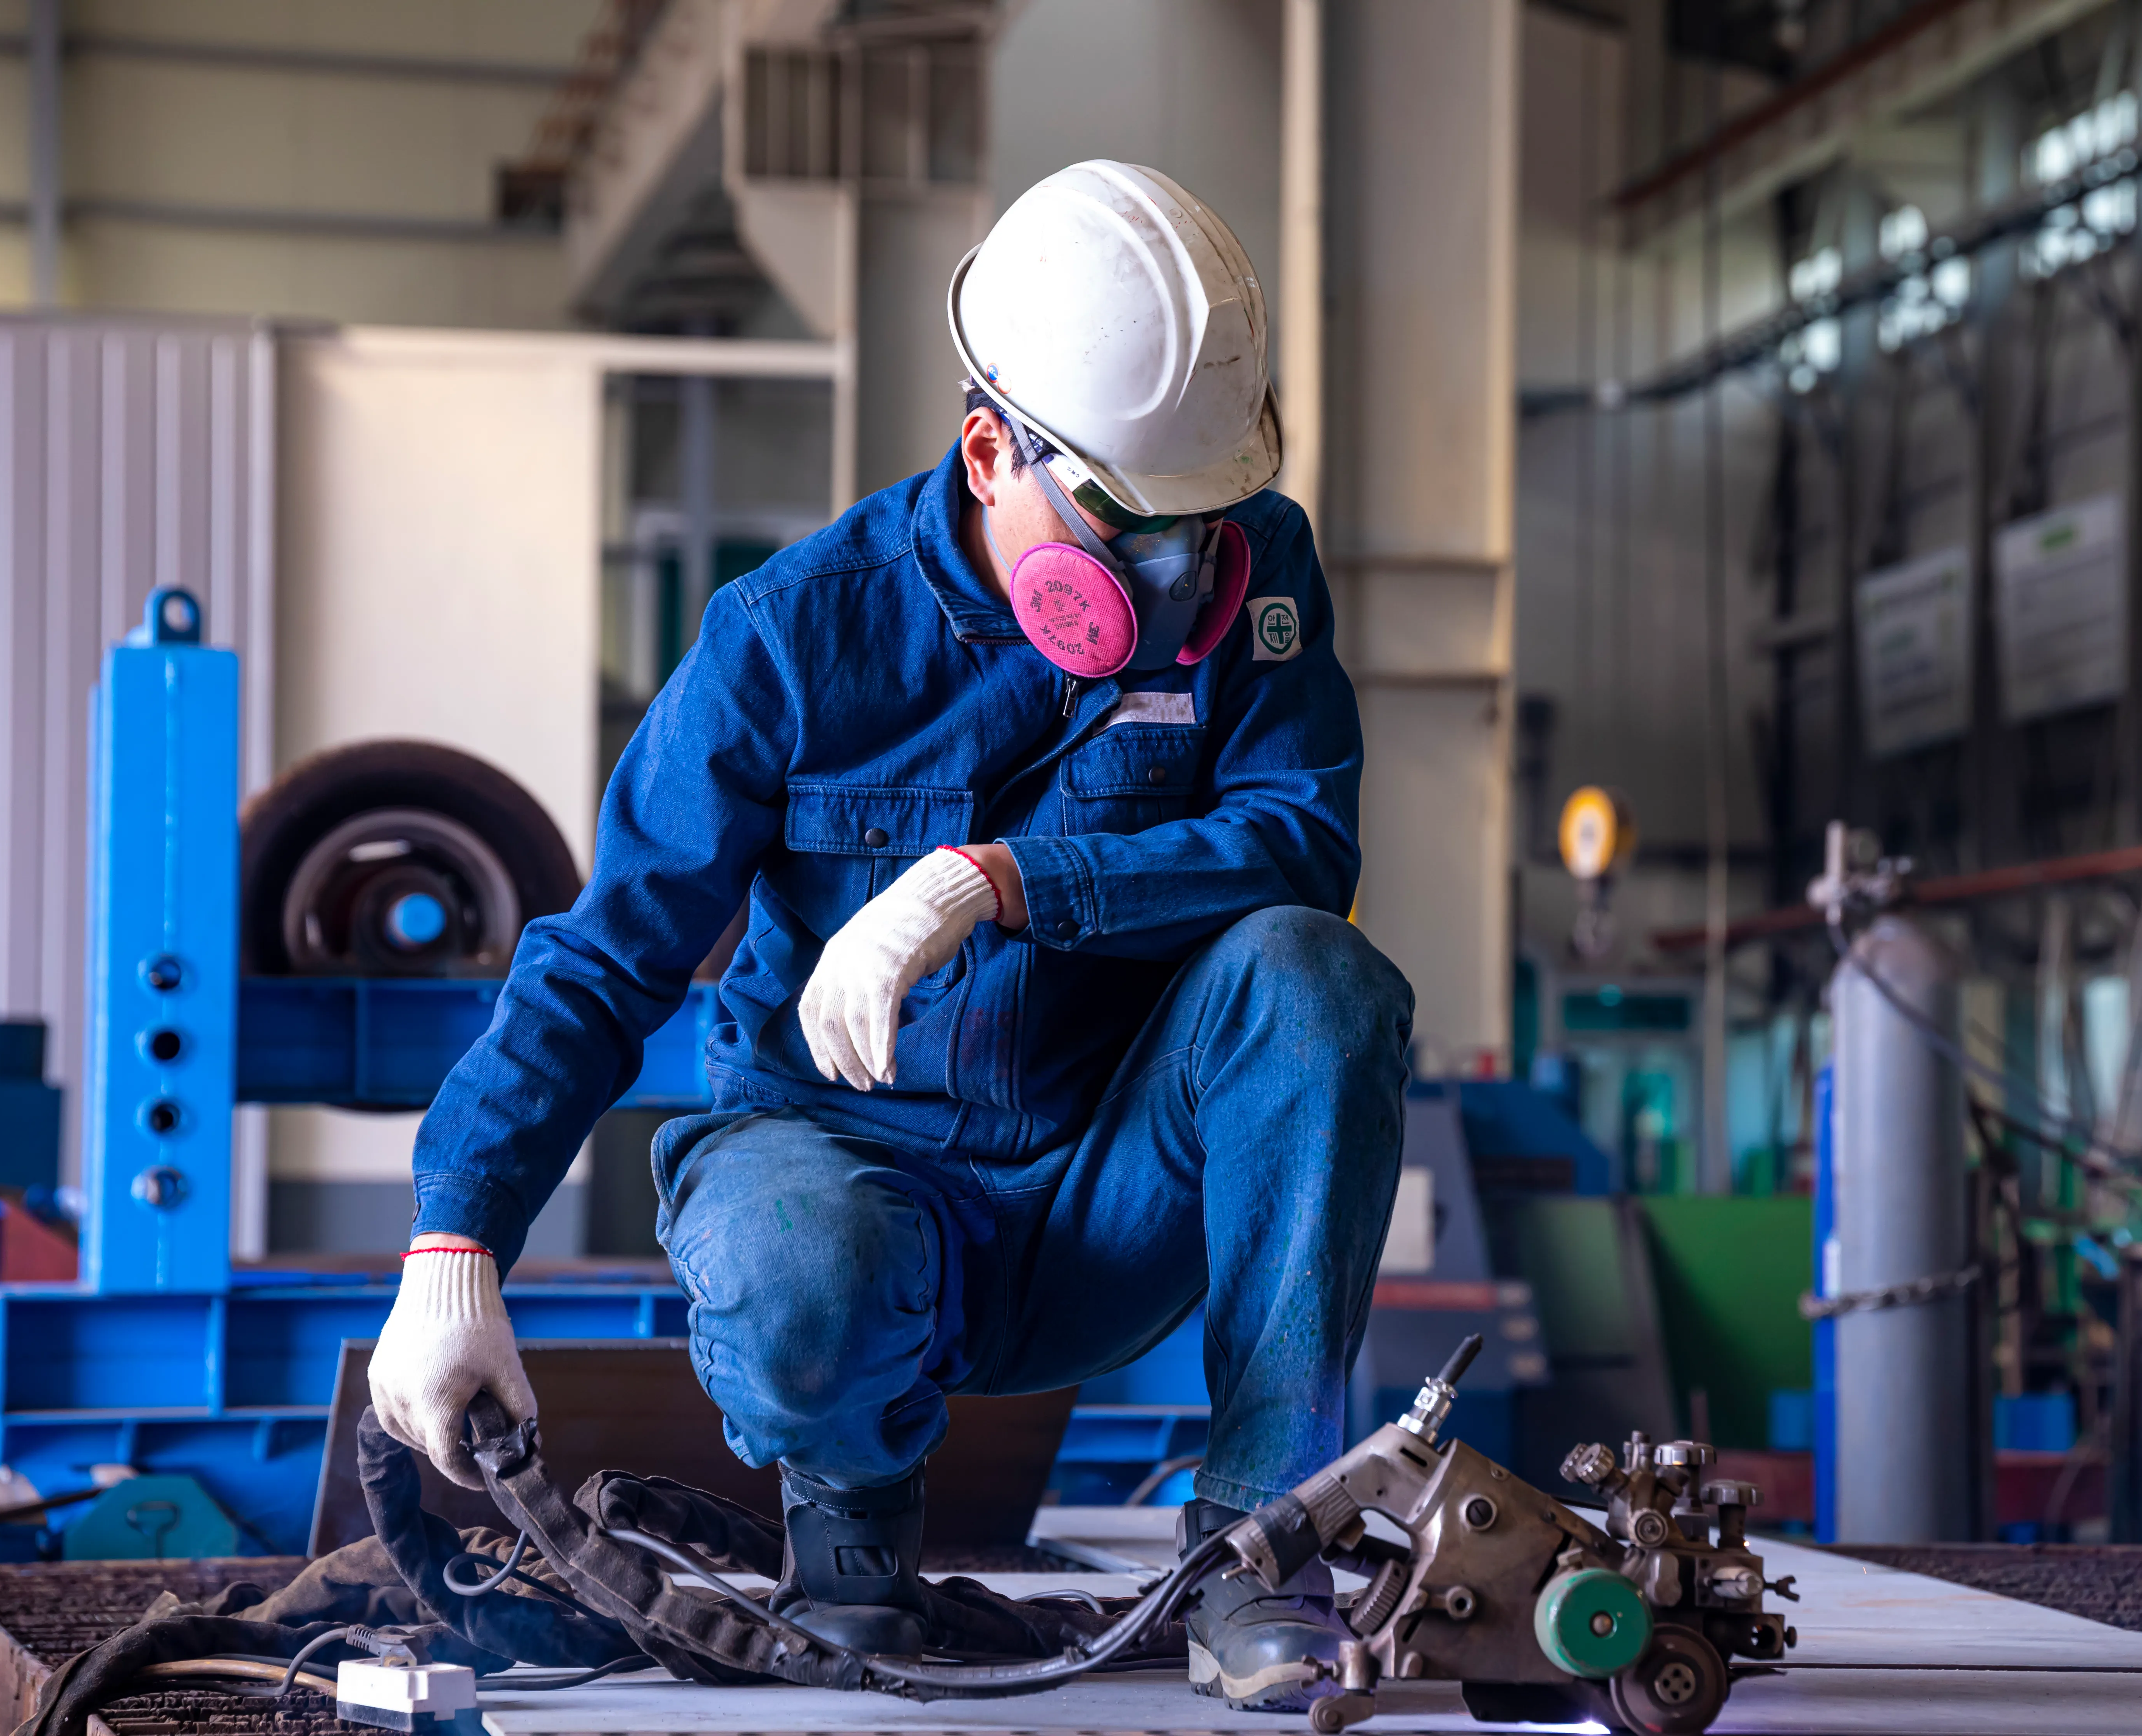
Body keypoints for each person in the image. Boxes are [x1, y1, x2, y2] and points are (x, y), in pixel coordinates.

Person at [365, 160, 1412, 1712]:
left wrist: (992, 880)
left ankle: (1263, 1553)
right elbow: (611, 953)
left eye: (1208, 525)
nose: (1182, 579)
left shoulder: (1252, 581)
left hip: (1099, 1199)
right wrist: (455, 1238)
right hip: (840, 1190)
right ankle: (847, 1547)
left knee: (1318, 987)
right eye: (1133, 526)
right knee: (804, 1255)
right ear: (990, 450)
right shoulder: (794, 637)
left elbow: (1299, 844)